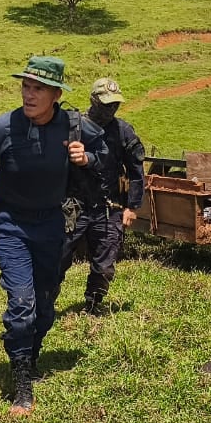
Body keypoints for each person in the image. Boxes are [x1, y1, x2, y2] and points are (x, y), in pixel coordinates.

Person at [0, 56, 107, 416]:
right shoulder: (2, 128)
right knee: (21, 304)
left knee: (46, 303)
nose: (29, 93)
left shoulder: (75, 126)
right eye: (25, 86)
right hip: (12, 224)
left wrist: (86, 158)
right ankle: (21, 380)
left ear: (56, 94)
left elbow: (105, 156)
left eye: (38, 88)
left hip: (53, 224)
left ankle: (31, 351)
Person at [61, 78, 146, 315]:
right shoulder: (73, 126)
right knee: (57, 258)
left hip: (109, 207)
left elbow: (137, 171)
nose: (111, 109)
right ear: (93, 100)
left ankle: (93, 304)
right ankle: (44, 304)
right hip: (72, 207)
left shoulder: (123, 131)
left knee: (104, 265)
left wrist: (132, 207)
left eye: (115, 104)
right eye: (106, 104)